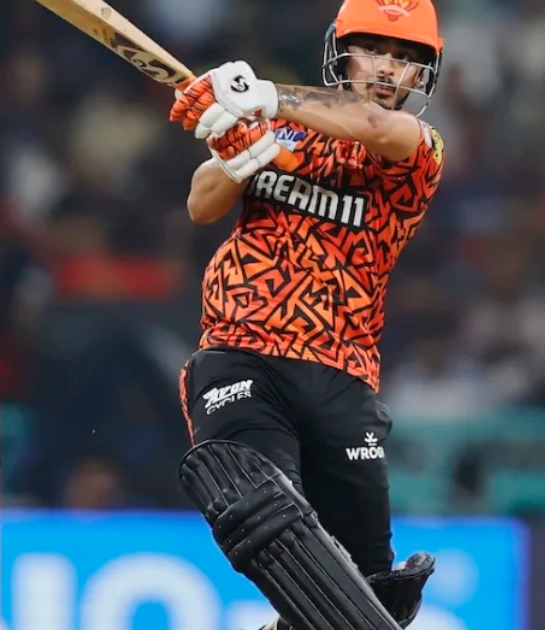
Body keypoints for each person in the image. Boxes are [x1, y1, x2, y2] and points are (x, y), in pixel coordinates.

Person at [168, 1, 445, 628]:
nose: (387, 69)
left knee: (371, 592)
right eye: (373, 51)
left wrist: (265, 96)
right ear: (342, 54)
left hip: (342, 372)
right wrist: (238, 157)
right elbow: (200, 205)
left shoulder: (418, 147)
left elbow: (372, 124)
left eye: (405, 59)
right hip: (242, 352)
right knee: (263, 511)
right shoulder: (281, 130)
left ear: (422, 74)